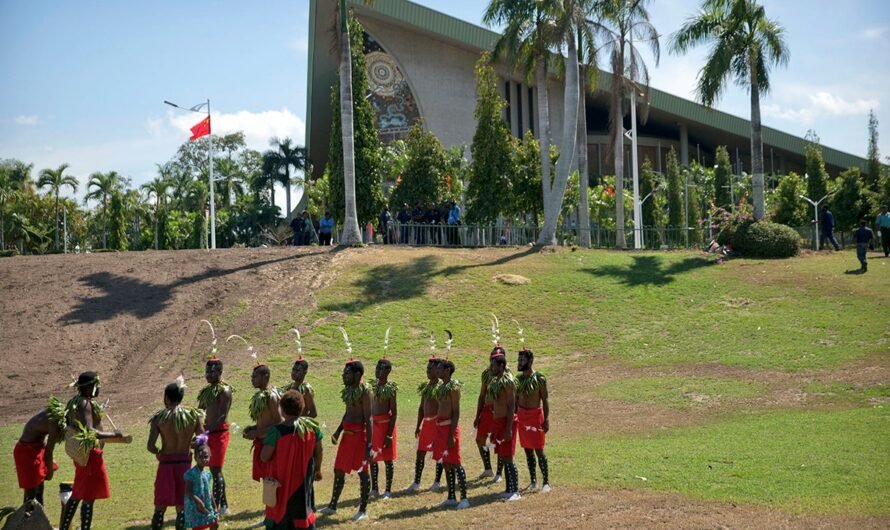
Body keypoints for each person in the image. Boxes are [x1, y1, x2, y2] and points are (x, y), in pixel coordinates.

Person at [60, 372, 123, 530]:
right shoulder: (85, 404)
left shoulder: (73, 402)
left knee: (78, 493)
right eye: (97, 386)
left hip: (80, 455)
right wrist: (113, 434)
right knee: (88, 496)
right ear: (89, 387)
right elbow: (90, 431)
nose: (98, 389)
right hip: (90, 456)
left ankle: (64, 527)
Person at [260, 390, 323, 530]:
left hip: (280, 482)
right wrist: (317, 469)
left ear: (282, 409)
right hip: (303, 479)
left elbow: (265, 457)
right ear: (301, 409)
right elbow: (319, 450)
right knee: (302, 510)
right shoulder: (312, 428)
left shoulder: (276, 431)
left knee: (281, 512)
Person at [147, 381, 205, 530]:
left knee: (160, 506)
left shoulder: (159, 418)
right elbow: (202, 438)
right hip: (184, 464)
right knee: (182, 505)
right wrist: (193, 442)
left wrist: (158, 452)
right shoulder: (193, 416)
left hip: (166, 465)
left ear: (166, 397)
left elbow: (150, 446)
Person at [319, 360, 372, 521]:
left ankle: (363, 510)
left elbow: (369, 419)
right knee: (338, 470)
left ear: (357, 375)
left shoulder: (365, 391)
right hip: (347, 437)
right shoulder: (349, 390)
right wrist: (337, 431)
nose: (343, 376)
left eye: (347, 373)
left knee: (363, 472)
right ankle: (333, 505)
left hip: (360, 437)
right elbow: (347, 413)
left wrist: (369, 445)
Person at [196, 357, 233, 515]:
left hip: (218, 434)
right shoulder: (206, 391)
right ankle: (224, 506)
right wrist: (197, 427)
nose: (208, 375)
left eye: (212, 372)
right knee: (213, 469)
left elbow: (222, 414)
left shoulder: (225, 390)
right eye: (206, 372)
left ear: (220, 372)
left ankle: (216, 507)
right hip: (208, 433)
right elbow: (200, 411)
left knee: (216, 470)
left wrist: (208, 430)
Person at [432, 359, 470, 509]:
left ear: (447, 370)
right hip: (440, 428)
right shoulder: (442, 387)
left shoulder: (454, 388)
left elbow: (456, 412)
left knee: (455, 462)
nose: (437, 370)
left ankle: (465, 498)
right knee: (446, 463)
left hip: (449, 429)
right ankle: (451, 496)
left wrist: (452, 435)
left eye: (440, 368)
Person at [14, 396, 65, 505]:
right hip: (26, 452)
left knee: (39, 490)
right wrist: (50, 471)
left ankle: (39, 518)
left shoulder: (52, 413)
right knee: (31, 493)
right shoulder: (55, 424)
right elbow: (49, 452)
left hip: (36, 449)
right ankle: (27, 520)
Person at [405, 356, 444, 492]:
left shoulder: (440, 387)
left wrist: (440, 425)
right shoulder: (426, 387)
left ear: (437, 370)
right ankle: (416, 482)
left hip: (436, 423)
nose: (427, 371)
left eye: (430, 368)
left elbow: (441, 407)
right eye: (427, 368)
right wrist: (418, 425)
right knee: (420, 452)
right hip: (426, 424)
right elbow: (421, 408)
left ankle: (437, 481)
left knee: (438, 452)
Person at [516, 348, 550, 493]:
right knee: (527, 450)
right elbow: (516, 399)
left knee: (539, 450)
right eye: (519, 360)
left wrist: (546, 419)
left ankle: (546, 482)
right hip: (522, 417)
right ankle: (533, 481)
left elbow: (545, 399)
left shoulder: (540, 378)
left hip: (536, 416)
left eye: (522, 360)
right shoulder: (518, 380)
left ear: (530, 361)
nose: (519, 363)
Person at [487, 352, 520, 501]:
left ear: (501, 366)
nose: (491, 367)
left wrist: (508, 428)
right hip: (498, 422)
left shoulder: (508, 381)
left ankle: (516, 491)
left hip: (508, 422)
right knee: (503, 456)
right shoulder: (495, 382)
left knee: (508, 457)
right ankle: (508, 489)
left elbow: (512, 405)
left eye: (493, 365)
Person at [243, 365, 283, 484]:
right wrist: (253, 428)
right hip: (263, 441)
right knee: (267, 479)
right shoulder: (260, 396)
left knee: (273, 479)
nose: (252, 379)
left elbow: (278, 422)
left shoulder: (271, 396)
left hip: (271, 443)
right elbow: (266, 421)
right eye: (252, 377)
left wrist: (257, 433)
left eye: (255, 377)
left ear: (265, 377)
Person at [473, 347, 503, 481]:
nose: (492, 359)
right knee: (480, 439)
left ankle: (499, 473)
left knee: (499, 442)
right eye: (491, 356)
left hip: (498, 412)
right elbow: (482, 395)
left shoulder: (506, 376)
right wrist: (477, 414)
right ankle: (488, 469)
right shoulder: (486, 374)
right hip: (486, 411)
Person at [370, 358, 398, 498]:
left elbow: (394, 413)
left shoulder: (390, 388)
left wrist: (389, 435)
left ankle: (387, 490)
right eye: (376, 367)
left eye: (380, 368)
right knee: (372, 458)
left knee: (387, 459)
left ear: (387, 371)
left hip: (386, 426)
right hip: (374, 426)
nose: (377, 370)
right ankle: (374, 488)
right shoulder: (372, 387)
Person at [183, 436, 219, 530]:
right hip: (195, 507)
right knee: (199, 526)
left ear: (210, 457)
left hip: (206, 505)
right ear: (195, 457)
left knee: (214, 523)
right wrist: (198, 502)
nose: (203, 459)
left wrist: (215, 507)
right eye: (200, 457)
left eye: (206, 457)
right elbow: (188, 492)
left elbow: (209, 492)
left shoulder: (207, 474)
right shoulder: (191, 474)